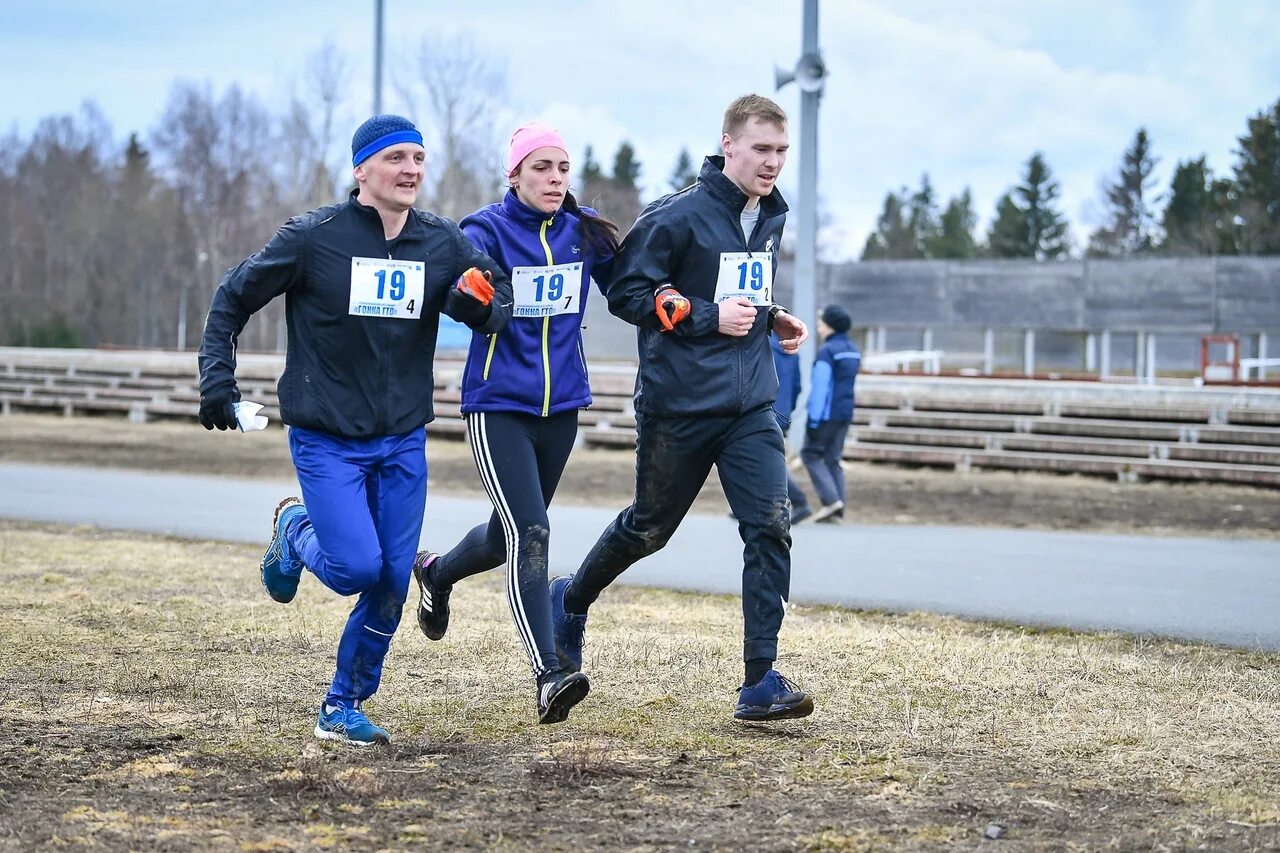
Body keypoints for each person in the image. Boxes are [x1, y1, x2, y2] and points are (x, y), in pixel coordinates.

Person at [197, 114, 513, 746]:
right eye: (396, 157)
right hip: (327, 437)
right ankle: (294, 530)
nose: (411, 170)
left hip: (402, 437)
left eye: (419, 158)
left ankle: (342, 704)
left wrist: (484, 305)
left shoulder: (441, 243)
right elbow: (233, 296)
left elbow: (494, 298)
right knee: (355, 571)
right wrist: (217, 381)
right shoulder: (314, 238)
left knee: (394, 580)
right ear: (361, 169)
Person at [549, 94, 815, 722]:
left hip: (751, 405)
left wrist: (770, 317)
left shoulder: (771, 216)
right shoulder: (677, 216)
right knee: (650, 528)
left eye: (781, 151)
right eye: (761, 150)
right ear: (729, 145)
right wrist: (704, 316)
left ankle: (759, 679)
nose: (772, 163)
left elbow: (735, 288)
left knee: (770, 525)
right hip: (680, 405)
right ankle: (570, 600)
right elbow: (627, 291)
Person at [409, 122, 618, 725]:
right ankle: (550, 673)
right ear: (515, 175)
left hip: (562, 409)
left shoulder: (584, 233)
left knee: (509, 538)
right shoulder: (485, 230)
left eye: (562, 169)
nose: (555, 179)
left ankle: (437, 572)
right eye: (541, 168)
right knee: (533, 530)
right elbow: (459, 293)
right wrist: (471, 298)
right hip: (499, 405)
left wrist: (672, 302)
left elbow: (628, 287)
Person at [802, 304, 861, 523]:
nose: (818, 325)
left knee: (810, 454)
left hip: (826, 413)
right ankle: (838, 507)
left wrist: (814, 418)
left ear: (830, 326)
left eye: (822, 321)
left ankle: (830, 500)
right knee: (833, 459)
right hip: (844, 412)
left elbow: (821, 386)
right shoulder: (853, 350)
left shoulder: (827, 351)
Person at [770, 335, 813, 524]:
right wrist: (788, 409)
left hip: (763, 409)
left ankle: (799, 501)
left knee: (769, 460)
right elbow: (797, 386)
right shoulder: (791, 349)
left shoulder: (764, 346)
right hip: (783, 410)